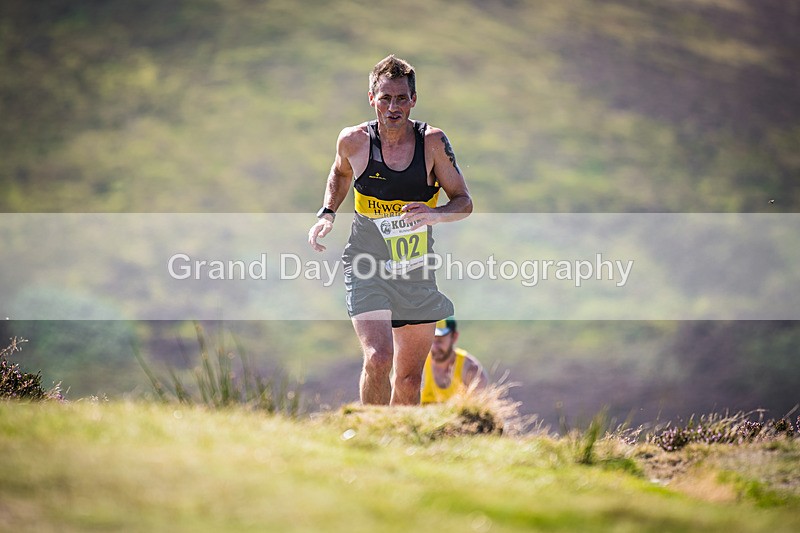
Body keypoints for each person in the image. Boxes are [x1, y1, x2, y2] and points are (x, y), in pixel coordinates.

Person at [308, 54, 473, 405]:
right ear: (372, 99)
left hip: (415, 269)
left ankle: (398, 443)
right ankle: (371, 435)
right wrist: (327, 213)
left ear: (413, 99)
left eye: (401, 98)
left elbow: (463, 201)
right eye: (385, 97)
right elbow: (340, 173)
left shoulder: (432, 143)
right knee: (378, 358)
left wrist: (435, 214)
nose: (393, 106)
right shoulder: (353, 141)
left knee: (410, 379)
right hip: (366, 262)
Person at [421, 317, 488, 404]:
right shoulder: (419, 365)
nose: (434, 347)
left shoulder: (471, 370)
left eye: (440, 341)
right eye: (431, 340)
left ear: (454, 337)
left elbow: (479, 410)